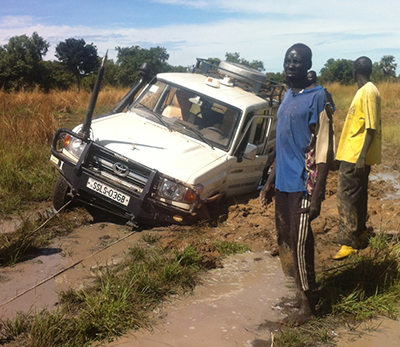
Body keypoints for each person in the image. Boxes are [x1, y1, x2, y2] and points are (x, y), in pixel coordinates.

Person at [260, 43, 335, 325]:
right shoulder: (289, 96)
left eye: (297, 61)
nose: (291, 65)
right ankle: (300, 292)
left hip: (304, 184)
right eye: (287, 60)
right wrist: (269, 181)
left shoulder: (319, 97)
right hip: (283, 182)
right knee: (287, 240)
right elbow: (283, 144)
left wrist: (317, 196)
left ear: (307, 65)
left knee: (302, 241)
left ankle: (309, 306)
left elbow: (325, 150)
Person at [333, 56, 381, 260]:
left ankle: (348, 241)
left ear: (354, 71)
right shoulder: (364, 91)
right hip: (352, 153)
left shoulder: (368, 91)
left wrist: (361, 157)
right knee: (358, 196)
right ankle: (359, 233)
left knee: (347, 197)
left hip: (355, 156)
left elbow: (371, 126)